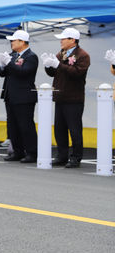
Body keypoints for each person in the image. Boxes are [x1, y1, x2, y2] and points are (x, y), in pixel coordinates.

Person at [41, 28, 90, 168]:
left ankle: (76, 157)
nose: (61, 41)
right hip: (60, 95)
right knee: (59, 129)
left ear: (73, 40)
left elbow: (77, 73)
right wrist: (48, 65)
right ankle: (61, 155)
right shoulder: (61, 53)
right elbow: (54, 73)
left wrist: (58, 65)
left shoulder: (82, 55)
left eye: (64, 38)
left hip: (74, 98)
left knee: (74, 129)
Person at [0, 30, 38, 164]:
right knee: (12, 126)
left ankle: (31, 153)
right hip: (10, 95)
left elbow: (23, 72)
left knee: (26, 126)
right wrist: (2, 65)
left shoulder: (31, 56)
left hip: (24, 96)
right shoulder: (12, 55)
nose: (11, 43)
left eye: (14, 40)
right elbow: (3, 74)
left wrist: (9, 63)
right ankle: (17, 151)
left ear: (22, 42)